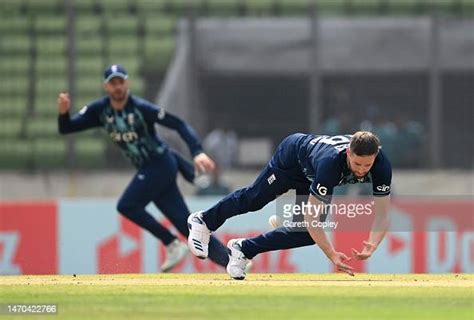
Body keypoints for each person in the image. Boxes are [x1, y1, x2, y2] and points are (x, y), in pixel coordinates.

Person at [57, 64, 229, 272]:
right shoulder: (100, 111)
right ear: (106, 87)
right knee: (187, 226)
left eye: (121, 81)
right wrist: (64, 113)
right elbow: (67, 128)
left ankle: (171, 243)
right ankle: (232, 260)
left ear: (127, 83)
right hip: (153, 170)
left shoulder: (140, 108)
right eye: (113, 83)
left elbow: (179, 124)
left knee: (127, 205)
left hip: (160, 164)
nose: (118, 87)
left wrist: (197, 151)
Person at [187, 131, 392, 279]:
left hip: (310, 173)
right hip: (292, 159)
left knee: (305, 233)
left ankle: (243, 249)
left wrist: (373, 244)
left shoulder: (381, 164)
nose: (362, 171)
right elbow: (312, 218)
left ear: (377, 155)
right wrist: (331, 254)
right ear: (348, 152)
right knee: (254, 199)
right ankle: (203, 220)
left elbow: (382, 213)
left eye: (368, 165)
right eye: (357, 164)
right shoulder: (330, 164)